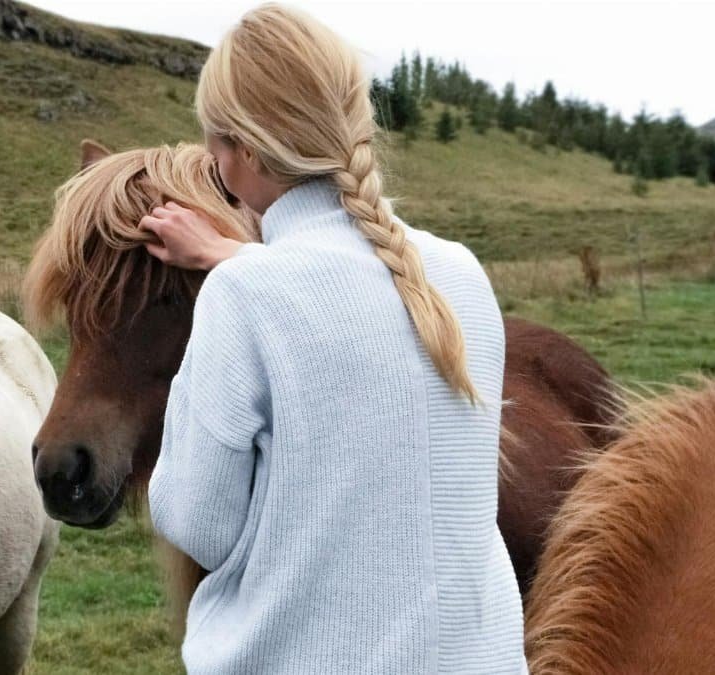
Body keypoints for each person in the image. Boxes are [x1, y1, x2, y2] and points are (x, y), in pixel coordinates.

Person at [140, 4, 528, 673]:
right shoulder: (461, 275)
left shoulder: (246, 298)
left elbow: (198, 521)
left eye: (214, 137)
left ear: (244, 153)